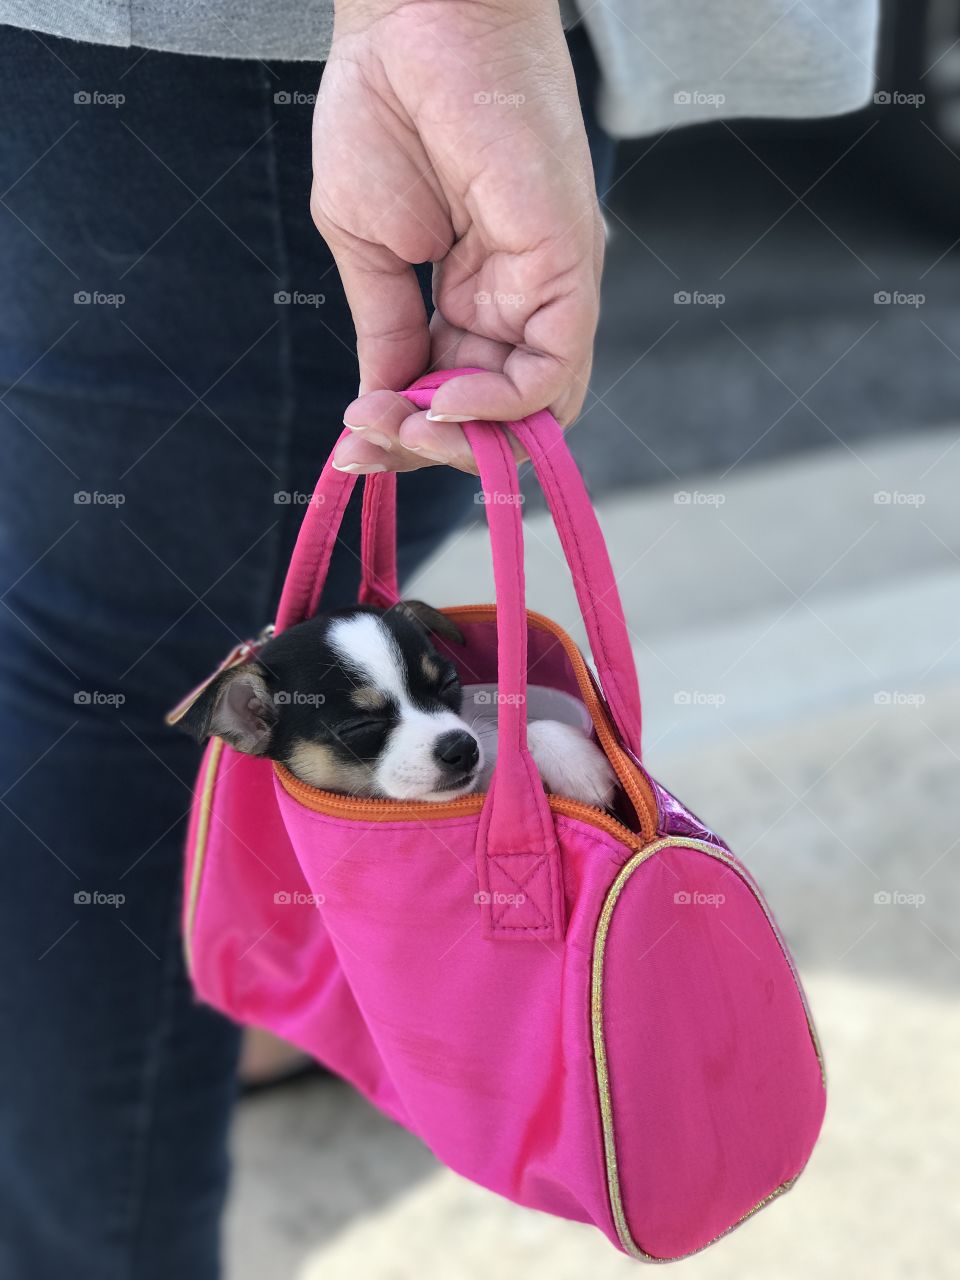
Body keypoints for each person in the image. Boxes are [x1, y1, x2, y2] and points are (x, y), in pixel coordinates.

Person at [0, 0, 878, 1275]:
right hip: (266, 54)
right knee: (130, 687)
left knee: (103, 655)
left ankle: (270, 992)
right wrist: (451, 20)